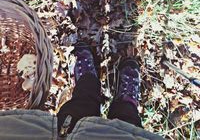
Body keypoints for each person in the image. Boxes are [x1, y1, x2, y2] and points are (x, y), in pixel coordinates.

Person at [0, 42, 164, 140]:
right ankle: (126, 99)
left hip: (60, 133)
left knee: (81, 104)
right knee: (127, 118)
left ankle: (87, 78)